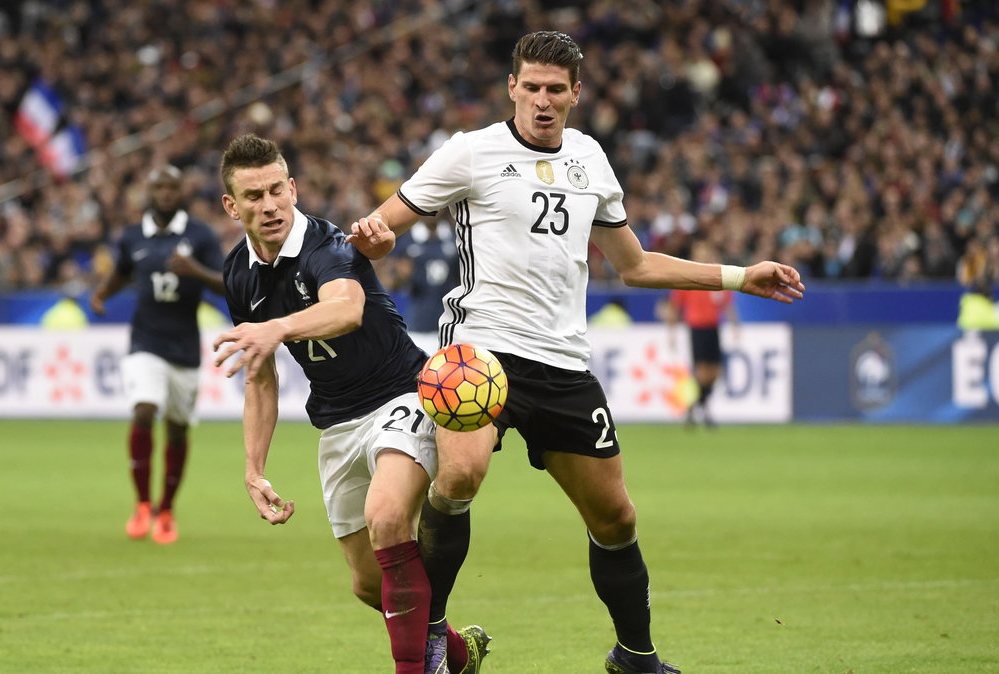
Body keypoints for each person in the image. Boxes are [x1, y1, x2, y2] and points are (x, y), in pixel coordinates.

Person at [349, 31, 805, 674]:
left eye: (555, 90)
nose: (542, 100)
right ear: (511, 87)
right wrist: (373, 237)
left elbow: (636, 266)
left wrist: (736, 275)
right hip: (481, 349)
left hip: (564, 363)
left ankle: (635, 656)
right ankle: (433, 639)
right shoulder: (470, 153)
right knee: (460, 475)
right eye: (530, 87)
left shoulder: (591, 159)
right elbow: (379, 227)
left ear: (576, 95)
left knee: (616, 517)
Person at [210, 134, 489, 674]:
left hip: (402, 394)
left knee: (387, 519)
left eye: (276, 191)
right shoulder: (237, 274)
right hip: (338, 422)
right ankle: (458, 651)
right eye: (253, 196)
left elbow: (347, 308)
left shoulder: (327, 245)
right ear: (232, 205)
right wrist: (253, 469)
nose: (268, 206)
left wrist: (277, 327)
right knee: (370, 584)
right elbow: (261, 380)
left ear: (292, 189)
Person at [90, 165, 225, 545]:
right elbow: (122, 271)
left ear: (182, 192)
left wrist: (194, 270)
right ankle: (142, 504)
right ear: (149, 193)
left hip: (184, 347)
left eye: (172, 187)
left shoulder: (200, 235)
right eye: (159, 187)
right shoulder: (133, 236)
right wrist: (102, 294)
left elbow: (227, 282)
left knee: (179, 428)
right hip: (144, 342)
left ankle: (166, 509)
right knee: (144, 409)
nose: (165, 193)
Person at [664, 239, 741, 429]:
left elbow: (727, 303)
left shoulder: (716, 275)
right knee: (702, 371)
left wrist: (734, 325)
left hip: (713, 327)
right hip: (696, 327)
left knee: (715, 372)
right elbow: (675, 306)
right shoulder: (687, 275)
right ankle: (703, 410)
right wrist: (671, 332)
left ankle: (694, 406)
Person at [384, 214, 460, 353]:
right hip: (418, 326)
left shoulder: (455, 237)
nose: (434, 211)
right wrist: (401, 277)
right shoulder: (407, 240)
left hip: (450, 327)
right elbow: (390, 283)